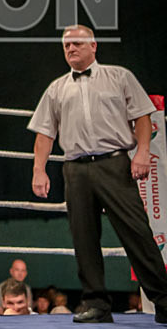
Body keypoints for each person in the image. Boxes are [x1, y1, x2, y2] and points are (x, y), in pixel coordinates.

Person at [29, 24, 167, 324]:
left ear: (93, 46)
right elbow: (44, 133)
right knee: (84, 238)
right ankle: (97, 305)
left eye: (77, 43)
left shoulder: (119, 76)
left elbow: (142, 117)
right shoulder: (56, 88)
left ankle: (164, 300)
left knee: (137, 233)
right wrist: (39, 170)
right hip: (75, 169)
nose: (71, 49)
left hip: (114, 164)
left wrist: (143, 152)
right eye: (66, 45)